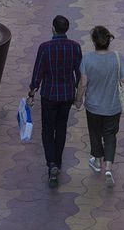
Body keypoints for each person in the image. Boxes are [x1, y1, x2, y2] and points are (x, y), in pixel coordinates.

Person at [28, 15, 83, 188]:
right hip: (67, 95)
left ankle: (51, 163)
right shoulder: (75, 47)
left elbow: (38, 71)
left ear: (53, 28)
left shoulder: (45, 48)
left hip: (49, 94)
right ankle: (57, 162)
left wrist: (32, 91)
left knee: (47, 130)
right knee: (61, 128)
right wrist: (77, 90)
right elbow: (79, 72)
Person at [77, 25, 124, 186]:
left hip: (93, 106)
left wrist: (78, 99)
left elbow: (83, 83)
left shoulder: (87, 59)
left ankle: (97, 161)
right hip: (113, 106)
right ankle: (108, 168)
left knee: (94, 133)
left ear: (94, 42)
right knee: (110, 135)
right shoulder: (117, 58)